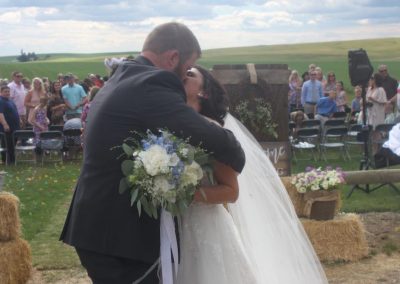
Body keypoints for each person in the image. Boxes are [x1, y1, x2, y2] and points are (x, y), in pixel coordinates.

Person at [60, 22, 245, 284]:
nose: (183, 79)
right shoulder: (153, 82)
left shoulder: (123, 74)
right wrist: (238, 153)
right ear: (172, 58)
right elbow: (210, 137)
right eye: (187, 67)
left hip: (97, 227)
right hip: (118, 236)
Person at [179, 66, 328, 283]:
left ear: (204, 92)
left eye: (190, 74)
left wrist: (187, 194)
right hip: (174, 226)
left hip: (206, 230)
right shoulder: (174, 125)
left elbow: (231, 192)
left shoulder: (212, 133)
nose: (183, 74)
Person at [0, 85, 20, 163]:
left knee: (13, 143)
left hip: (14, 126)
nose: (7, 93)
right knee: (7, 143)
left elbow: (15, 110)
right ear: (1, 92)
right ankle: (6, 160)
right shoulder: (1, 101)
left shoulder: (10, 100)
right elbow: (0, 114)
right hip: (7, 126)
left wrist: (20, 120)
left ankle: (12, 159)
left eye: (8, 91)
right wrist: (5, 124)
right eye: (5, 91)